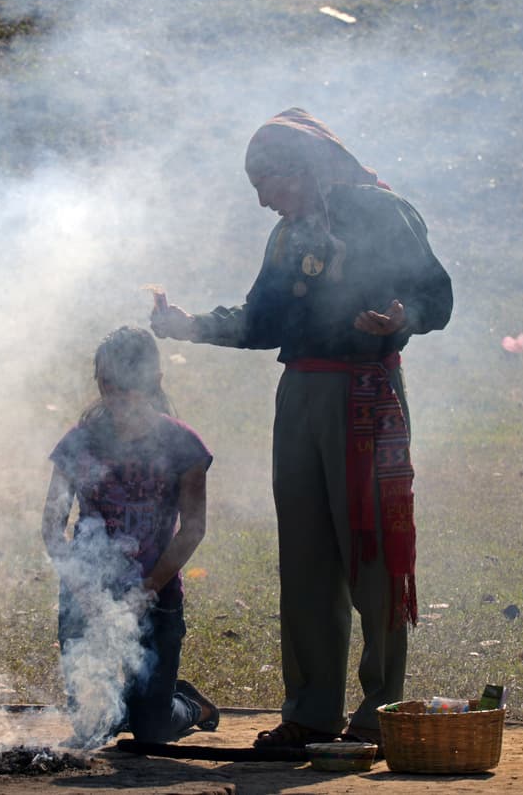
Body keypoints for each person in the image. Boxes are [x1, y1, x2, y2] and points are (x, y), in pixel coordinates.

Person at [150, 108, 453, 749]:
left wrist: (403, 317)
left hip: (365, 393)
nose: (262, 200)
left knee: (370, 550)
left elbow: (438, 295)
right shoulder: (288, 236)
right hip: (301, 398)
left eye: (269, 183)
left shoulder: (380, 210)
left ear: (305, 167)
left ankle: (379, 712)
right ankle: (311, 711)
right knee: (307, 557)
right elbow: (263, 321)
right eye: (254, 187)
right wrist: (191, 325)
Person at [42, 326, 220, 745]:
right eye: (108, 385)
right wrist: (82, 587)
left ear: (154, 383)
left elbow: (193, 528)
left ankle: (188, 705)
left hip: (155, 600)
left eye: (129, 386)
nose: (118, 396)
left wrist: (148, 587)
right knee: (93, 728)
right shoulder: (78, 443)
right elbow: (52, 526)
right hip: (87, 601)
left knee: (151, 731)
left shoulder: (183, 446)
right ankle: (129, 704)